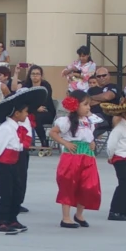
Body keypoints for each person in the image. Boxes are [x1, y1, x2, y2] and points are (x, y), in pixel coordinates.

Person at [0, 87, 47, 235]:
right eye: (25, 112)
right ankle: (0, 222)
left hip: (14, 163)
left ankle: (12, 219)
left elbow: (18, 144)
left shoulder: (17, 127)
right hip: (4, 165)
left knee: (16, 192)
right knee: (6, 193)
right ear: (17, 113)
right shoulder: (5, 128)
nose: (27, 114)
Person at [49, 91, 102, 228]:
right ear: (75, 105)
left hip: (88, 156)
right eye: (85, 105)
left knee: (88, 185)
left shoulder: (89, 121)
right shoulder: (66, 121)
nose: (88, 107)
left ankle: (79, 214)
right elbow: (53, 132)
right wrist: (65, 143)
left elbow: (89, 136)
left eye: (89, 105)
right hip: (72, 156)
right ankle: (65, 217)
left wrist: (92, 143)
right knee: (68, 185)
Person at [21, 65, 56, 148]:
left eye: (37, 74)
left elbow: (46, 100)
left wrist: (34, 107)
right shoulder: (26, 86)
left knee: (36, 118)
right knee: (27, 116)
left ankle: (43, 142)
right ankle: (26, 142)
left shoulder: (46, 85)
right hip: (31, 111)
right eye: (33, 74)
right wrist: (35, 108)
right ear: (29, 75)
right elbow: (23, 100)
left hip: (47, 112)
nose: (35, 76)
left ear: (41, 76)